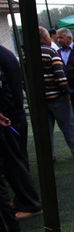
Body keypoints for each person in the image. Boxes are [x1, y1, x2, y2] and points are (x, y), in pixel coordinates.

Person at [0, 45, 42, 222]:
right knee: (16, 161)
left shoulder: (3, 56)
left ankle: (29, 203)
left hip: (8, 118)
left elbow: (5, 90)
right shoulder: (5, 54)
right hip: (12, 116)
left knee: (13, 162)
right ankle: (23, 201)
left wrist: (3, 112)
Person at [38, 27, 74, 162]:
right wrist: (66, 92)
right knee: (69, 125)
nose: (55, 39)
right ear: (45, 38)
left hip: (40, 99)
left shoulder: (28, 54)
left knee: (45, 129)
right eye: (52, 37)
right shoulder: (51, 52)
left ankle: (49, 156)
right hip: (57, 97)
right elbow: (60, 75)